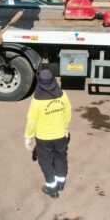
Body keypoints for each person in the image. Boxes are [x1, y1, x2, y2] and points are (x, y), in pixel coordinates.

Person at [24, 69, 72, 199]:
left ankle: (52, 188)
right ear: (53, 81)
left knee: (46, 162)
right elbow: (68, 112)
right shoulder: (63, 95)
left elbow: (31, 121)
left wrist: (28, 137)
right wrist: (65, 127)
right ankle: (61, 183)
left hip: (44, 138)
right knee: (60, 158)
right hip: (60, 135)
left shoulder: (36, 101)